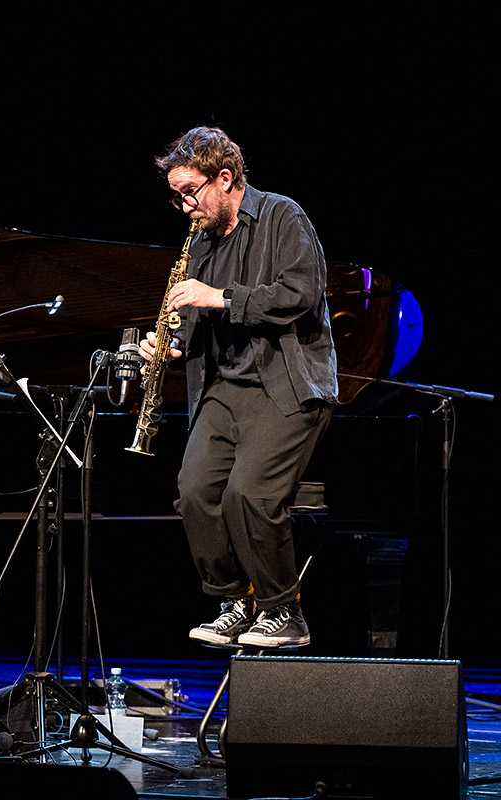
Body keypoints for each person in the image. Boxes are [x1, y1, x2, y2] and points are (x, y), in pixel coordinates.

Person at [139, 127, 338, 648]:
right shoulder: (201, 245)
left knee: (249, 495)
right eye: (175, 194)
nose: (183, 206)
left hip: (285, 386)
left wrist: (222, 297)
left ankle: (284, 612)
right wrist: (168, 347)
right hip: (224, 387)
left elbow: (300, 292)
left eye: (190, 192)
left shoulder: (282, 216)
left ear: (224, 178)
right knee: (196, 492)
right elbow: (195, 318)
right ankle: (235, 600)